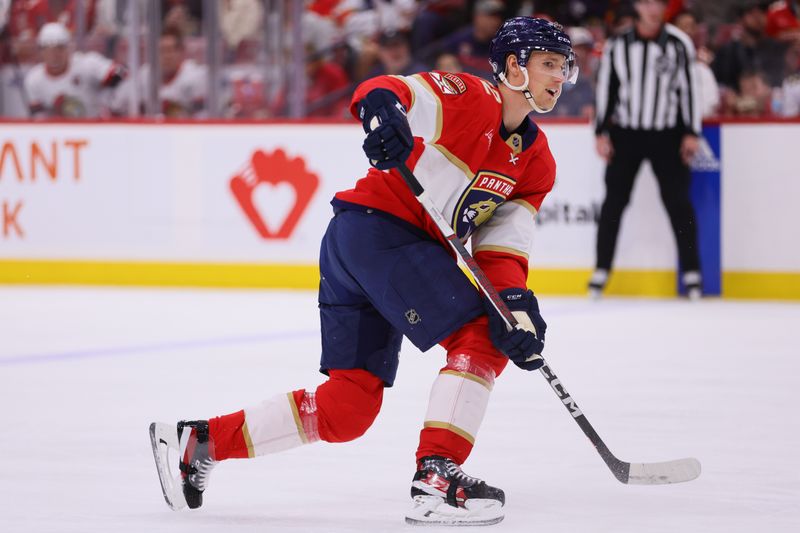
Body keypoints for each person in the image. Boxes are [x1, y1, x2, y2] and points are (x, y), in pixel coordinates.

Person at [150, 16, 578, 526]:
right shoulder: (468, 95)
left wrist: (514, 306)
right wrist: (382, 111)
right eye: (549, 64)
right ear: (514, 66)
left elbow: (502, 251)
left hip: (363, 245)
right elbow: (386, 89)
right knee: (480, 336)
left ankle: (199, 443)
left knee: (346, 410)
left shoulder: (536, 162)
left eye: (563, 67)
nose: (559, 77)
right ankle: (438, 475)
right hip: (378, 232)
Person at [591, 0, 703, 299]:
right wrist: (601, 131)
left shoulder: (679, 44)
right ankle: (601, 270)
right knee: (613, 203)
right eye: (648, 2)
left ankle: (692, 273)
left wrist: (691, 131)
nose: (653, 9)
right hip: (626, 133)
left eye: (659, 3)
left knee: (679, 203)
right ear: (638, 6)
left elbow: (690, 89)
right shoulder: (618, 45)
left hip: (667, 134)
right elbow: (607, 89)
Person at [23, 22, 125, 118]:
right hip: (59, 133)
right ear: (41, 51)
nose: (54, 54)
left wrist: (106, 91)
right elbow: (39, 120)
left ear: (69, 48)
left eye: (60, 48)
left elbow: (120, 71)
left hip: (93, 127)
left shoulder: (87, 63)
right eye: (48, 49)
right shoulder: (34, 79)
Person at [111, 27, 206, 118]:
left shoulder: (196, 76)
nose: (166, 56)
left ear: (181, 52)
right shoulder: (144, 75)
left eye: (170, 50)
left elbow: (204, 118)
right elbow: (116, 107)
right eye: (162, 51)